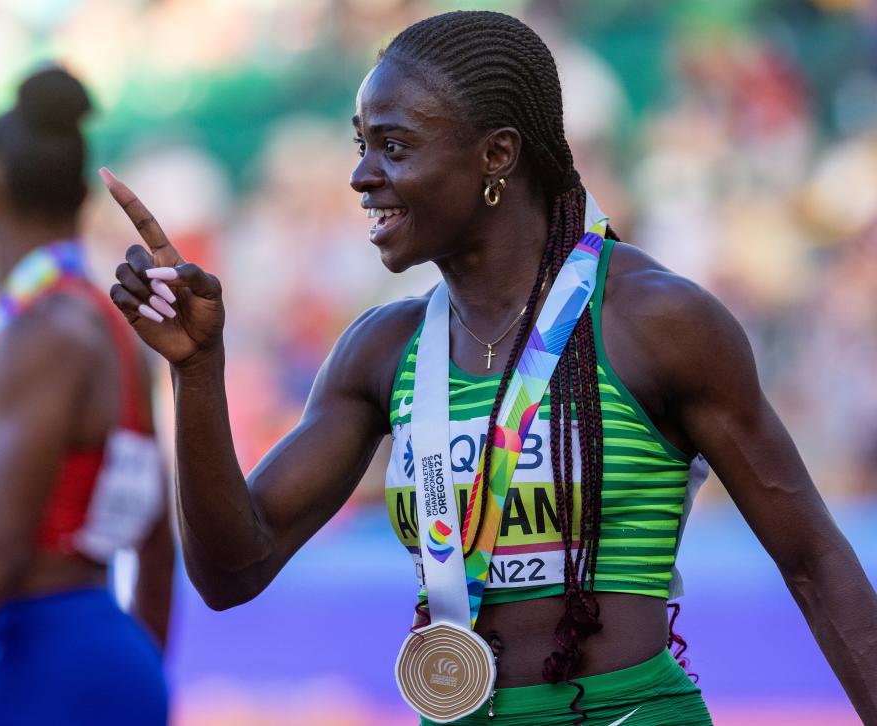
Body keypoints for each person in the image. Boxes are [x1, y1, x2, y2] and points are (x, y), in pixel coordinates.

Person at [104, 11, 877, 726]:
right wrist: (198, 371)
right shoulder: (381, 349)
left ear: (496, 155)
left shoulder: (656, 322)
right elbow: (233, 571)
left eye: (394, 146)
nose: (361, 176)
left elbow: (813, 559)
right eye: (360, 145)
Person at [0, 67, 173, 726]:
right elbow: (153, 539)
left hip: (56, 665)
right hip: (85, 656)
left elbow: (0, 551)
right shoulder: (95, 323)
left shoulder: (45, 333)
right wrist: (142, 666)